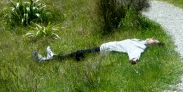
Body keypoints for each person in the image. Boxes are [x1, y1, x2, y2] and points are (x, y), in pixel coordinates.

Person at [33, 38, 162, 64]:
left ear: (152, 45)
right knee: (77, 55)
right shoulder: (138, 41)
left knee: (78, 55)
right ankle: (54, 57)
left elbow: (134, 53)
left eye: (154, 41)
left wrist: (134, 59)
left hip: (102, 51)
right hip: (102, 48)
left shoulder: (140, 47)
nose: (152, 39)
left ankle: (49, 59)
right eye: (154, 39)